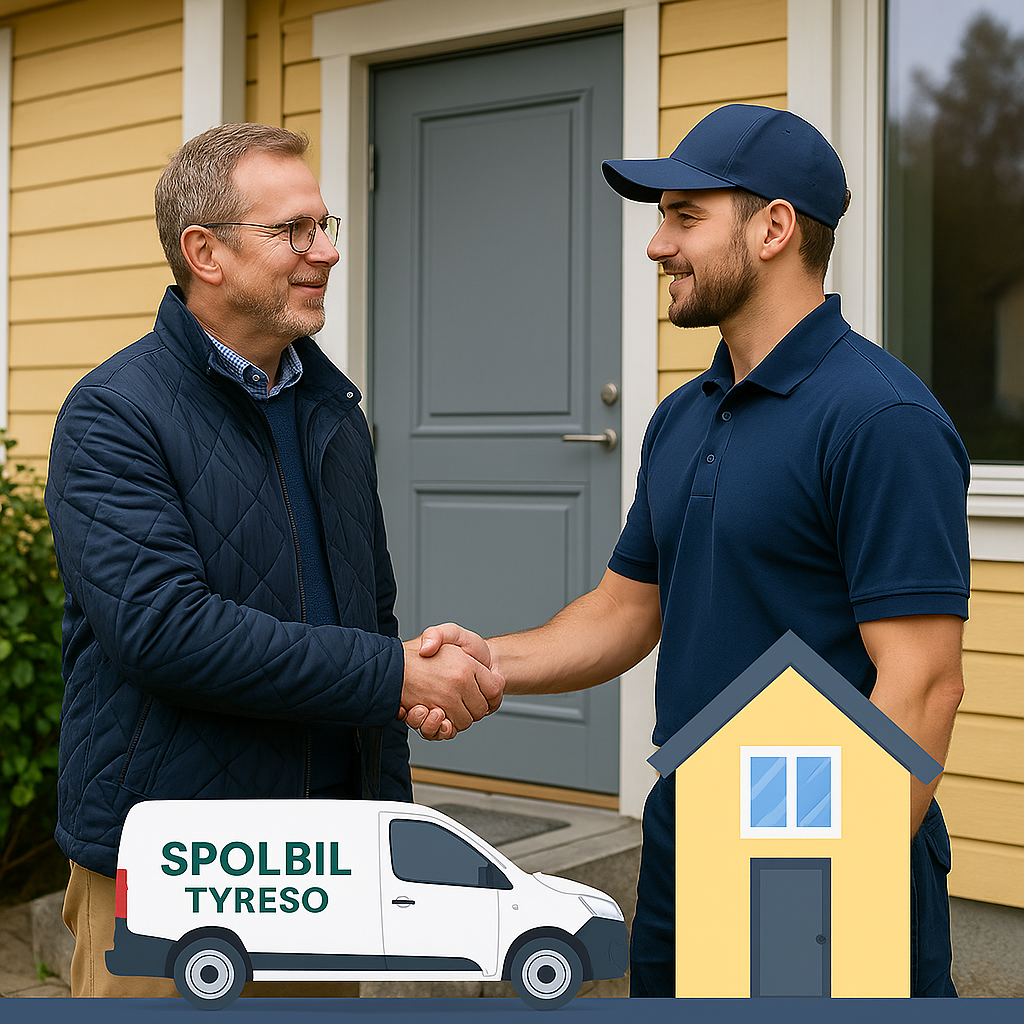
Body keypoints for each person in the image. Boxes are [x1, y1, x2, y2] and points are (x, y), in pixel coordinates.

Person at [412, 104, 969, 997]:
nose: (657, 245)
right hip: (688, 817)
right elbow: (625, 611)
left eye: (685, 216)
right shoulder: (683, 416)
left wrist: (824, 892)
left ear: (774, 229)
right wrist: (485, 664)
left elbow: (924, 682)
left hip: (816, 833)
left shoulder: (880, 419)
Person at [45, 122, 501, 998]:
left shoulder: (333, 411)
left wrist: (387, 811)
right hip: (176, 868)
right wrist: (396, 676)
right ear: (204, 253)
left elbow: (370, 620)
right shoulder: (114, 413)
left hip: (320, 868)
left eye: (324, 225)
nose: (325, 251)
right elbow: (164, 632)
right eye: (293, 230)